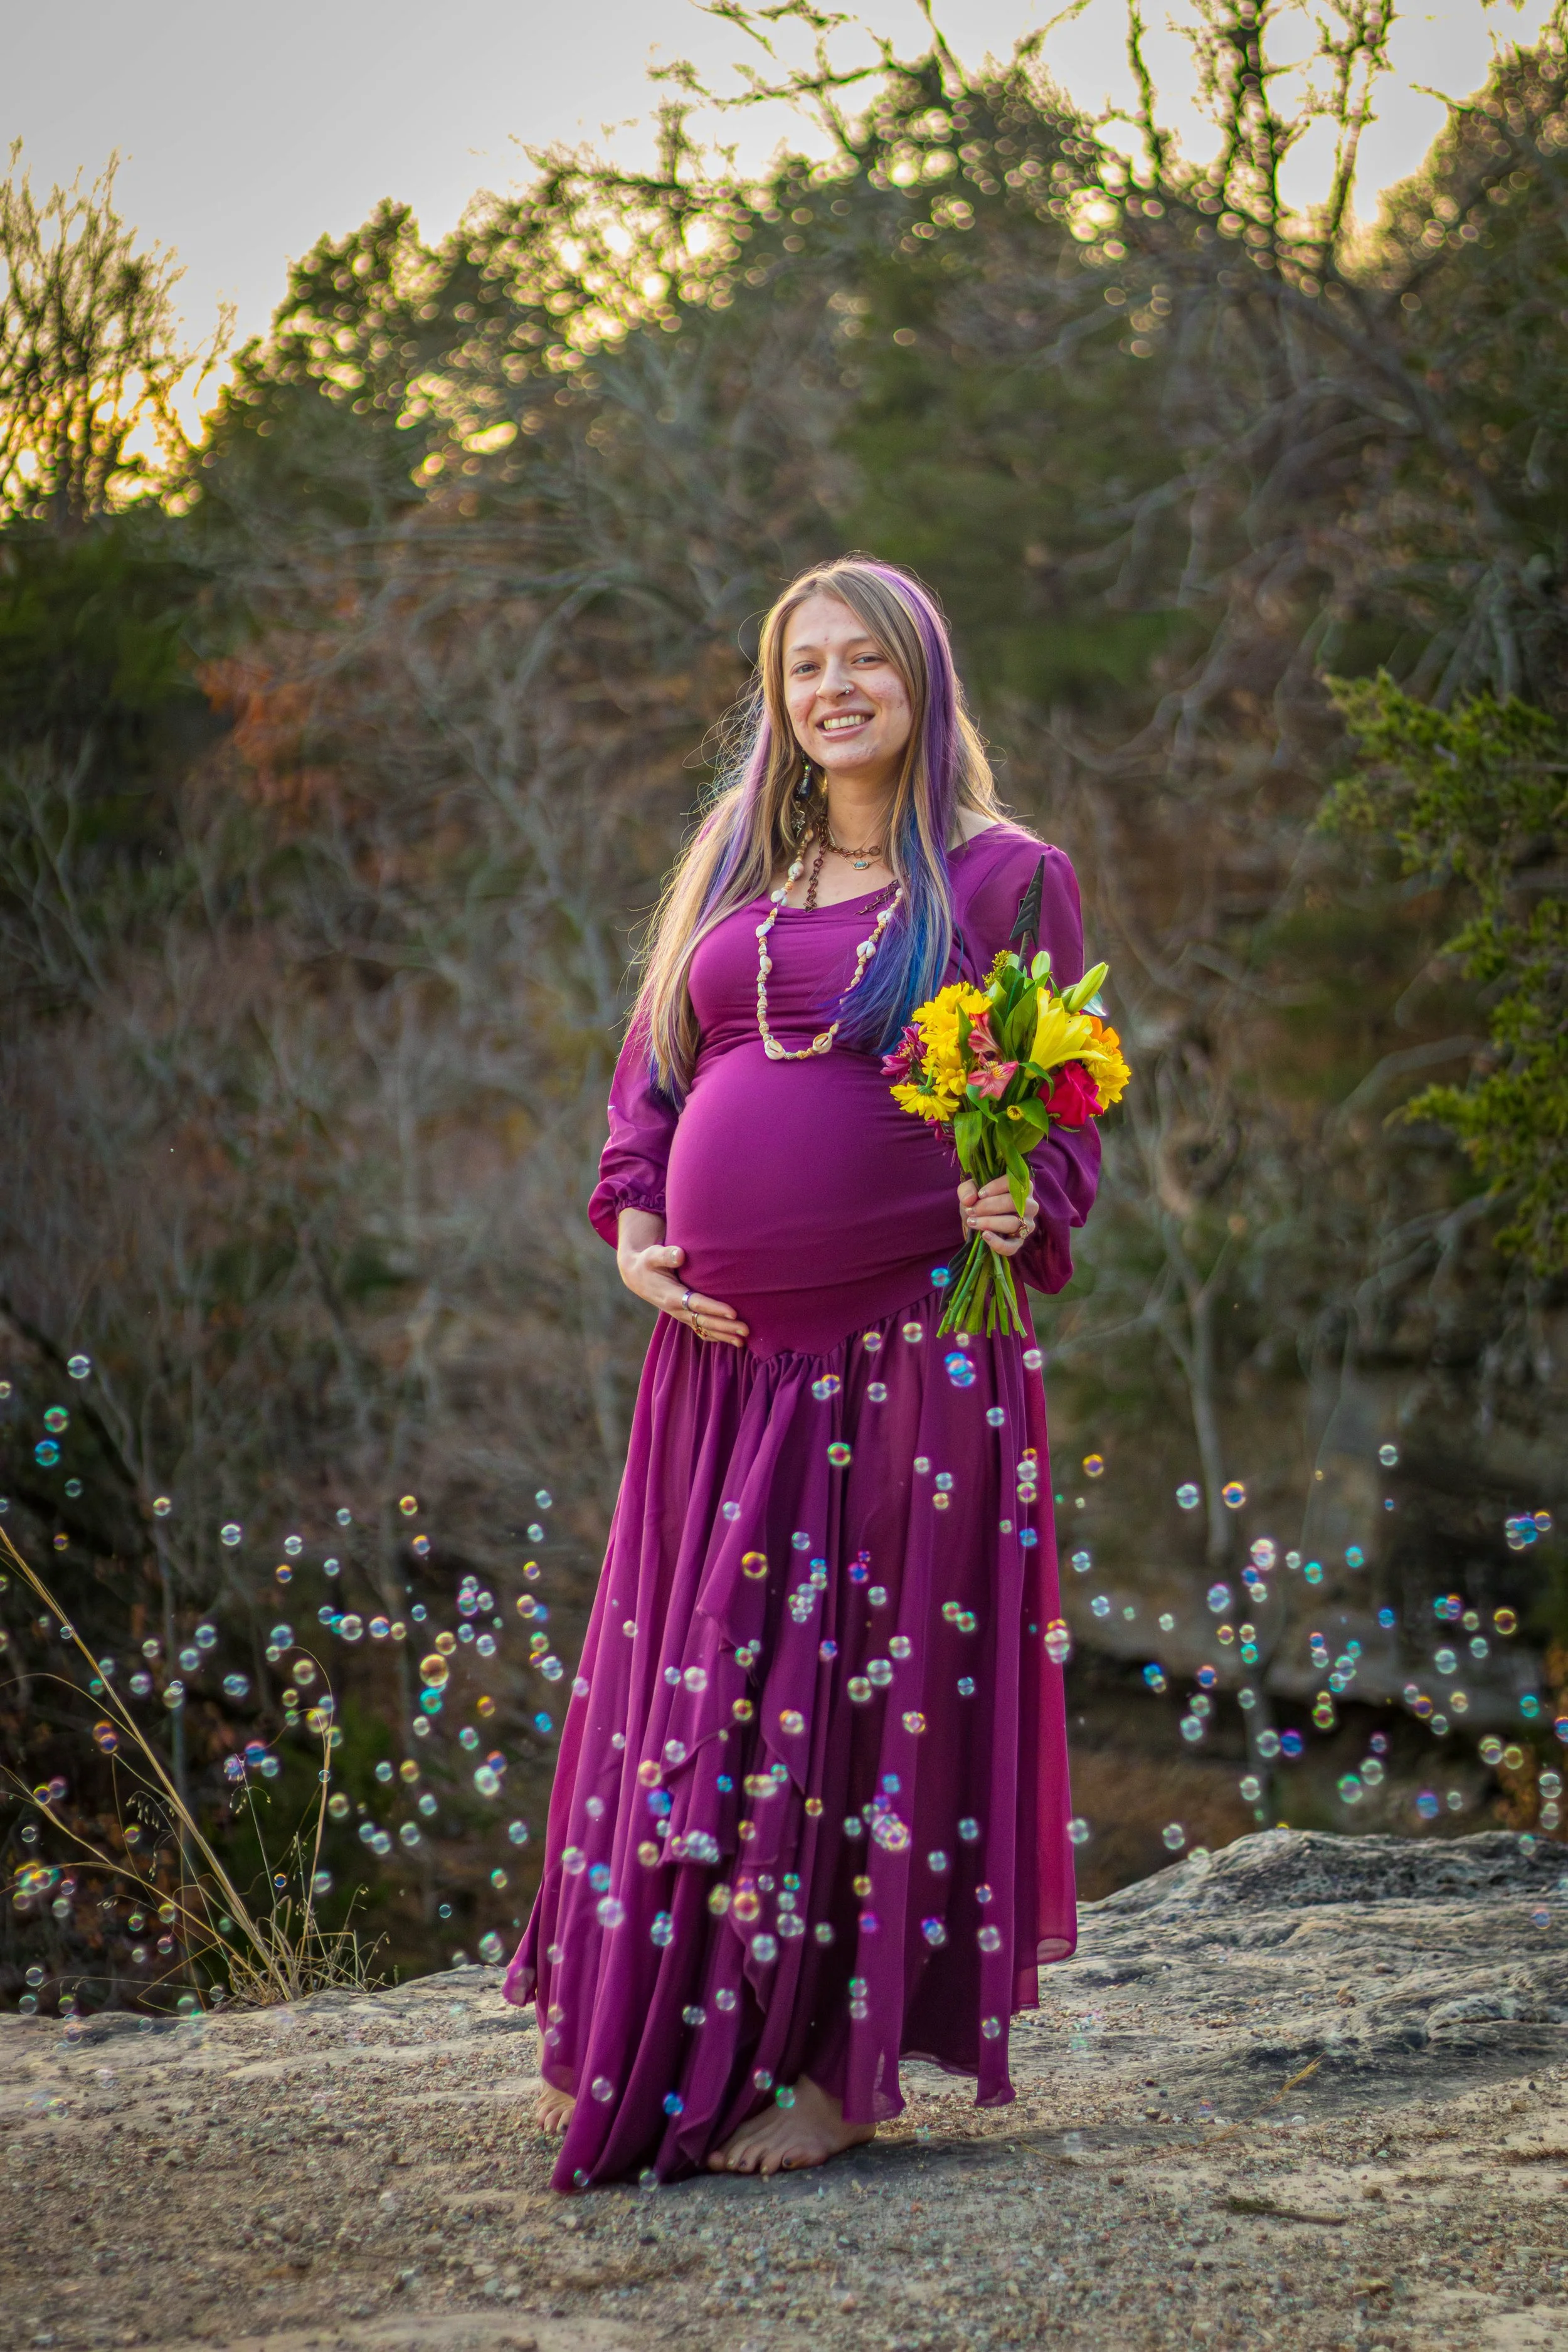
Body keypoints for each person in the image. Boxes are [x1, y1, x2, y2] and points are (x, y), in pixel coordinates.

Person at [504, 556, 1100, 2188]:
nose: (831, 687)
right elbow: (653, 1072)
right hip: (719, 1367)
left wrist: (1017, 1192)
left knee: (858, 1701)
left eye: (863, 660)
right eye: (803, 666)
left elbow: (1059, 1117)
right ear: (774, 699)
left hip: (906, 1358)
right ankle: (686, 2022)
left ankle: (837, 2072)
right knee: (713, 1700)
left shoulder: (1000, 879)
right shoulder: (732, 872)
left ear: (924, 677)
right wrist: (632, 1213)